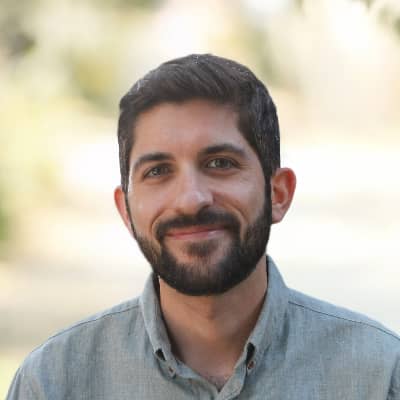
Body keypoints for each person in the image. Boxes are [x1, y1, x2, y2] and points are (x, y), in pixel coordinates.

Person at [7, 54, 400, 399]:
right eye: (158, 171)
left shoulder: (380, 376)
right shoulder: (53, 383)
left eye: (220, 163)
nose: (191, 199)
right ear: (126, 210)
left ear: (278, 193)